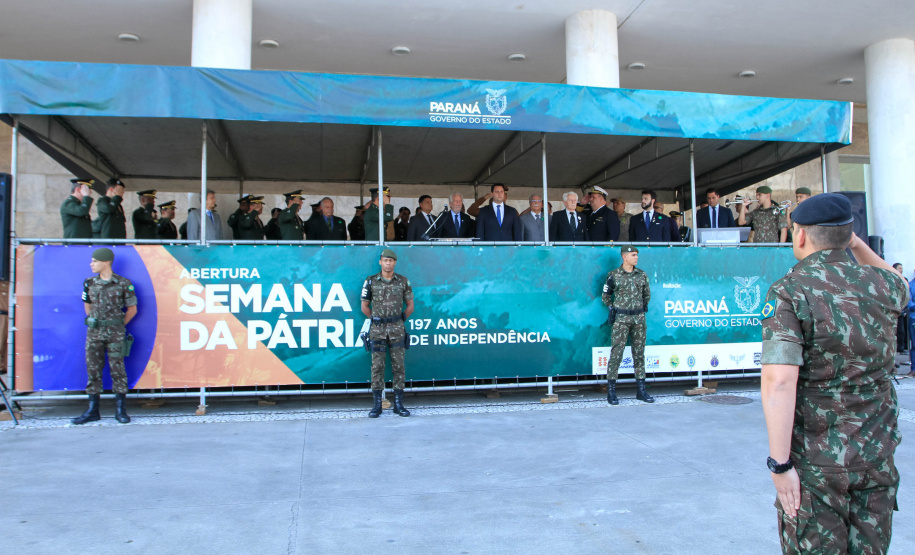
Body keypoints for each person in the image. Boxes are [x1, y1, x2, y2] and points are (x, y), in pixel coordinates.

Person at [760, 193, 910, 554]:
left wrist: (779, 465)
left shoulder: (790, 291)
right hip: (875, 459)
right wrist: (853, 240)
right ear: (848, 234)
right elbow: (901, 286)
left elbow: (779, 381)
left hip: (817, 467)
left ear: (800, 235)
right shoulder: (882, 285)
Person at [72, 247, 138, 425]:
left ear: (106, 262)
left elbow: (132, 309)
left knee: (118, 370)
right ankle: (93, 410)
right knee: (93, 370)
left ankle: (120, 410)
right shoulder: (89, 282)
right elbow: (87, 305)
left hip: (115, 333)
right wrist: (95, 321)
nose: (91, 264)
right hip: (94, 333)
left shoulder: (123, 283)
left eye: (95, 261)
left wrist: (117, 325)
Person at [361, 248, 415, 418]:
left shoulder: (403, 281)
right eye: (385, 260)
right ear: (380, 262)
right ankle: (377, 405)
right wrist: (378, 320)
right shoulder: (370, 282)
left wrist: (398, 320)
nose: (388, 263)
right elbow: (364, 307)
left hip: (397, 329)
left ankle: (399, 404)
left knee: (399, 366)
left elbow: (410, 306)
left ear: (395, 263)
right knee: (377, 367)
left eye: (391, 261)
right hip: (377, 330)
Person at [601, 245, 654, 405]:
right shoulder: (614, 275)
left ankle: (641, 390)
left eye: (637, 254)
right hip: (621, 319)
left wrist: (638, 308)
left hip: (639, 318)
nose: (636, 257)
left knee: (639, 354)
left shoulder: (641, 275)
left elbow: (647, 295)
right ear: (624, 257)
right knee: (616, 353)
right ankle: (611, 392)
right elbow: (605, 296)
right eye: (633, 255)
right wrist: (616, 308)